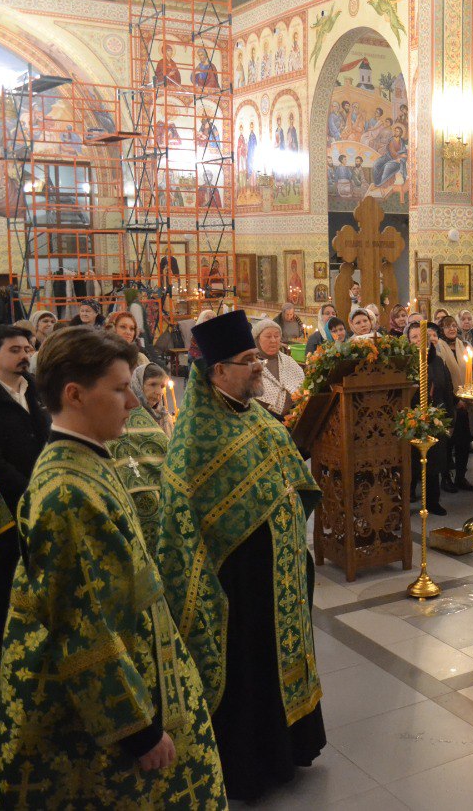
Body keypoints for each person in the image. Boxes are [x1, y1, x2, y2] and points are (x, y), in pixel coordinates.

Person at [0, 327, 225, 807]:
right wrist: (138, 732)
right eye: (119, 390)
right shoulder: (67, 493)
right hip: (96, 725)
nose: (132, 401)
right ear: (74, 395)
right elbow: (82, 630)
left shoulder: (87, 460)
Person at [158, 309, 326, 801]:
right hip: (235, 586)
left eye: (257, 356)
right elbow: (182, 527)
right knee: (248, 669)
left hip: (281, 576)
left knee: (280, 660)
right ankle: (251, 764)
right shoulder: (194, 439)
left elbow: (296, 479)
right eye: (248, 359)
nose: (258, 366)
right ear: (218, 372)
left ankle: (292, 746)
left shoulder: (259, 419)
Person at [0, 325, 51, 648]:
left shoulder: (36, 390)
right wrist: (31, 494)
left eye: (27, 350)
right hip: (7, 513)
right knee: (7, 584)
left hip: (44, 503)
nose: (24, 356)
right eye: (15, 350)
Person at [109, 362, 173, 530]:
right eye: (152, 385)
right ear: (137, 384)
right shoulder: (124, 416)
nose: (158, 392)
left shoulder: (164, 416)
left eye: (162, 386)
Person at [408, 321, 452, 516]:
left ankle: (433, 501)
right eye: (414, 337)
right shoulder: (405, 364)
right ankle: (408, 499)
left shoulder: (438, 361)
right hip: (411, 420)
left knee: (434, 463)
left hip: (436, 419)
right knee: (412, 463)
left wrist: (449, 418)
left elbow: (447, 391)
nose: (419, 340)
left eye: (422, 336)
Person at [437, 315, 473, 492]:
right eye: (447, 327)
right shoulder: (438, 347)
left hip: (466, 402)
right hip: (448, 403)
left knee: (463, 441)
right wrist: (455, 399)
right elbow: (441, 378)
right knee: (447, 442)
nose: (451, 329)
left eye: (454, 326)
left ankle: (461, 476)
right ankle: (446, 478)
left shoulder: (465, 346)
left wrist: (470, 393)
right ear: (441, 330)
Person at [251, 318, 307, 420]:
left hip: (296, 417)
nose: (273, 340)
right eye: (268, 336)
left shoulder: (288, 361)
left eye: (276, 336)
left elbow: (303, 386)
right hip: (263, 420)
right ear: (257, 340)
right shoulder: (250, 366)